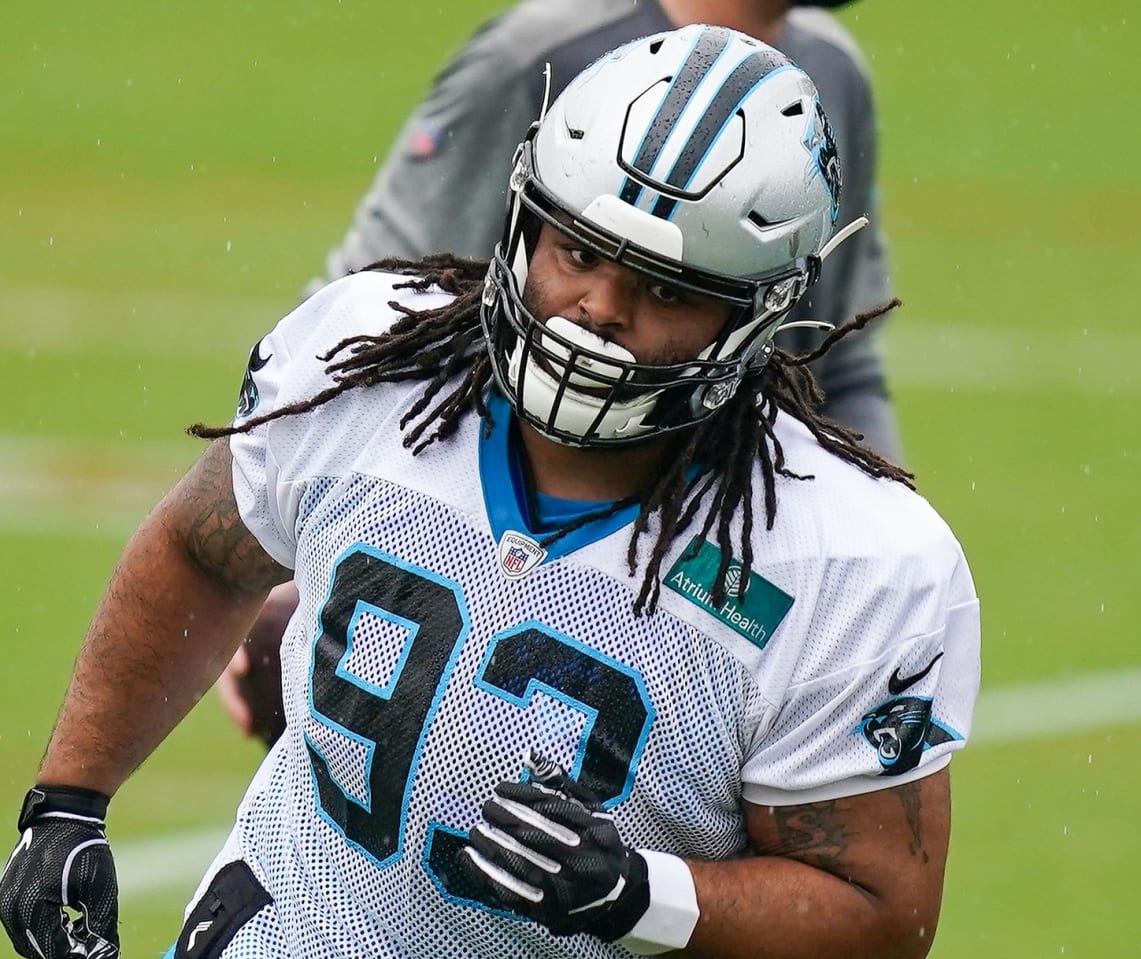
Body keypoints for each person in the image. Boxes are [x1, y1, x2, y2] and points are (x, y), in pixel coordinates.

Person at [0, 26, 979, 959]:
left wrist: (641, 895)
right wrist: (68, 797)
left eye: (665, 288)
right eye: (575, 252)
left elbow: (882, 916)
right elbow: (202, 552)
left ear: (762, 313)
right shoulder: (372, 362)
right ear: (522, 218)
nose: (594, 311)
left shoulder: (850, 559)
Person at [221, 0, 901, 749]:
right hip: (465, 542)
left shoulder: (829, 74)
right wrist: (292, 561)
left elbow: (840, 358)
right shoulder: (545, 49)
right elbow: (378, 306)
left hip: (694, 581)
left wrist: (870, 580)